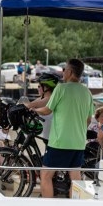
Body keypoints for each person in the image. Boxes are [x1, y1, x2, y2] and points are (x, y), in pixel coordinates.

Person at [32, 58, 94, 198]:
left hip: (60, 142)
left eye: (64, 69)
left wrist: (34, 110)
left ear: (70, 72)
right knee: (75, 179)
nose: (63, 72)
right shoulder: (87, 92)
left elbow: (48, 110)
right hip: (78, 142)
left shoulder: (61, 88)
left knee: (46, 175)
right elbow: (88, 119)